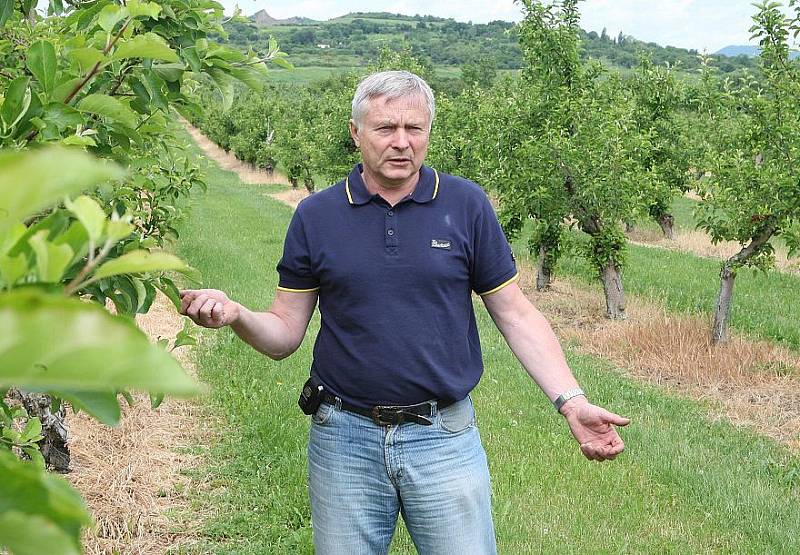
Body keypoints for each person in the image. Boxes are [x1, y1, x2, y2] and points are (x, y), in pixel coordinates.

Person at [180, 70, 630, 555]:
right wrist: (237, 316)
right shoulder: (316, 215)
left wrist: (571, 400)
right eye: (385, 128)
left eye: (414, 129)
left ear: (429, 132)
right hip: (344, 439)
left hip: (444, 438)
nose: (401, 142)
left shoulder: (466, 205)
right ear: (355, 133)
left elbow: (516, 314)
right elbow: (285, 331)